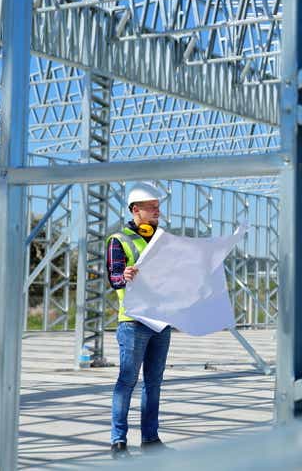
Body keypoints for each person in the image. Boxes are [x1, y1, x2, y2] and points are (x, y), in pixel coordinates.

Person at [105, 182, 171, 459]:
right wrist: (126, 277)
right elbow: (113, 277)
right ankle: (118, 441)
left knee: (154, 382)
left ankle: (150, 438)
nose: (157, 211)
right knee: (127, 381)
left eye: (158, 207)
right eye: (152, 207)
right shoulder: (118, 240)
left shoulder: (163, 239)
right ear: (136, 210)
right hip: (132, 322)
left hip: (161, 322)